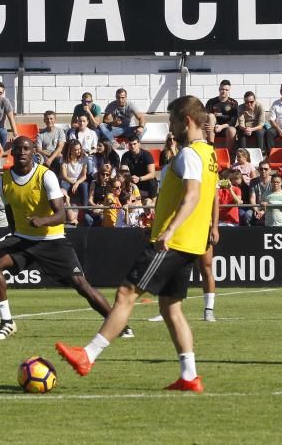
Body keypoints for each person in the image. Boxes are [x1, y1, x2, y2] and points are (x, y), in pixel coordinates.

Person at [56, 95, 216, 391]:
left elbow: (193, 195)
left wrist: (168, 231)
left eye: (172, 121)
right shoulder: (209, 153)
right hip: (191, 243)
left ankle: (87, 355)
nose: (170, 127)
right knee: (171, 307)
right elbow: (206, 195)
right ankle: (189, 375)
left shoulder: (189, 155)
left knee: (126, 293)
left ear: (188, 122)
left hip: (174, 241)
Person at [0, 136, 126, 341]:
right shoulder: (3, 181)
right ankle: (7, 322)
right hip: (23, 239)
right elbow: (9, 211)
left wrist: (42, 221)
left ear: (34, 151)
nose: (22, 152)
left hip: (52, 239)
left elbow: (61, 214)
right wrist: (16, 232)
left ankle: (117, 323)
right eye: (18, 149)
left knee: (80, 284)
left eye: (26, 148)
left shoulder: (46, 176)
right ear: (12, 152)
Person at [59, 140, 89, 225]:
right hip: (67, 180)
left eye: (79, 149)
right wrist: (72, 182)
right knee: (63, 186)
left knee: (84, 185)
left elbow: (84, 176)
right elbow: (64, 175)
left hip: (78, 181)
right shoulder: (64, 159)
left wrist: (76, 183)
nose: (78, 151)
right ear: (70, 150)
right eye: (76, 150)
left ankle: (85, 209)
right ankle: (64, 208)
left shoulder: (84, 158)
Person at [206, 80, 239, 153]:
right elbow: (206, 116)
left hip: (226, 128)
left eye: (226, 90)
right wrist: (213, 126)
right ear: (219, 89)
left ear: (229, 90)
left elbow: (233, 121)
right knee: (211, 116)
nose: (224, 91)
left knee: (233, 130)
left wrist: (221, 127)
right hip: (213, 128)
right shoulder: (211, 102)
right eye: (222, 89)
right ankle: (211, 145)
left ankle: (226, 153)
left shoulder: (233, 103)